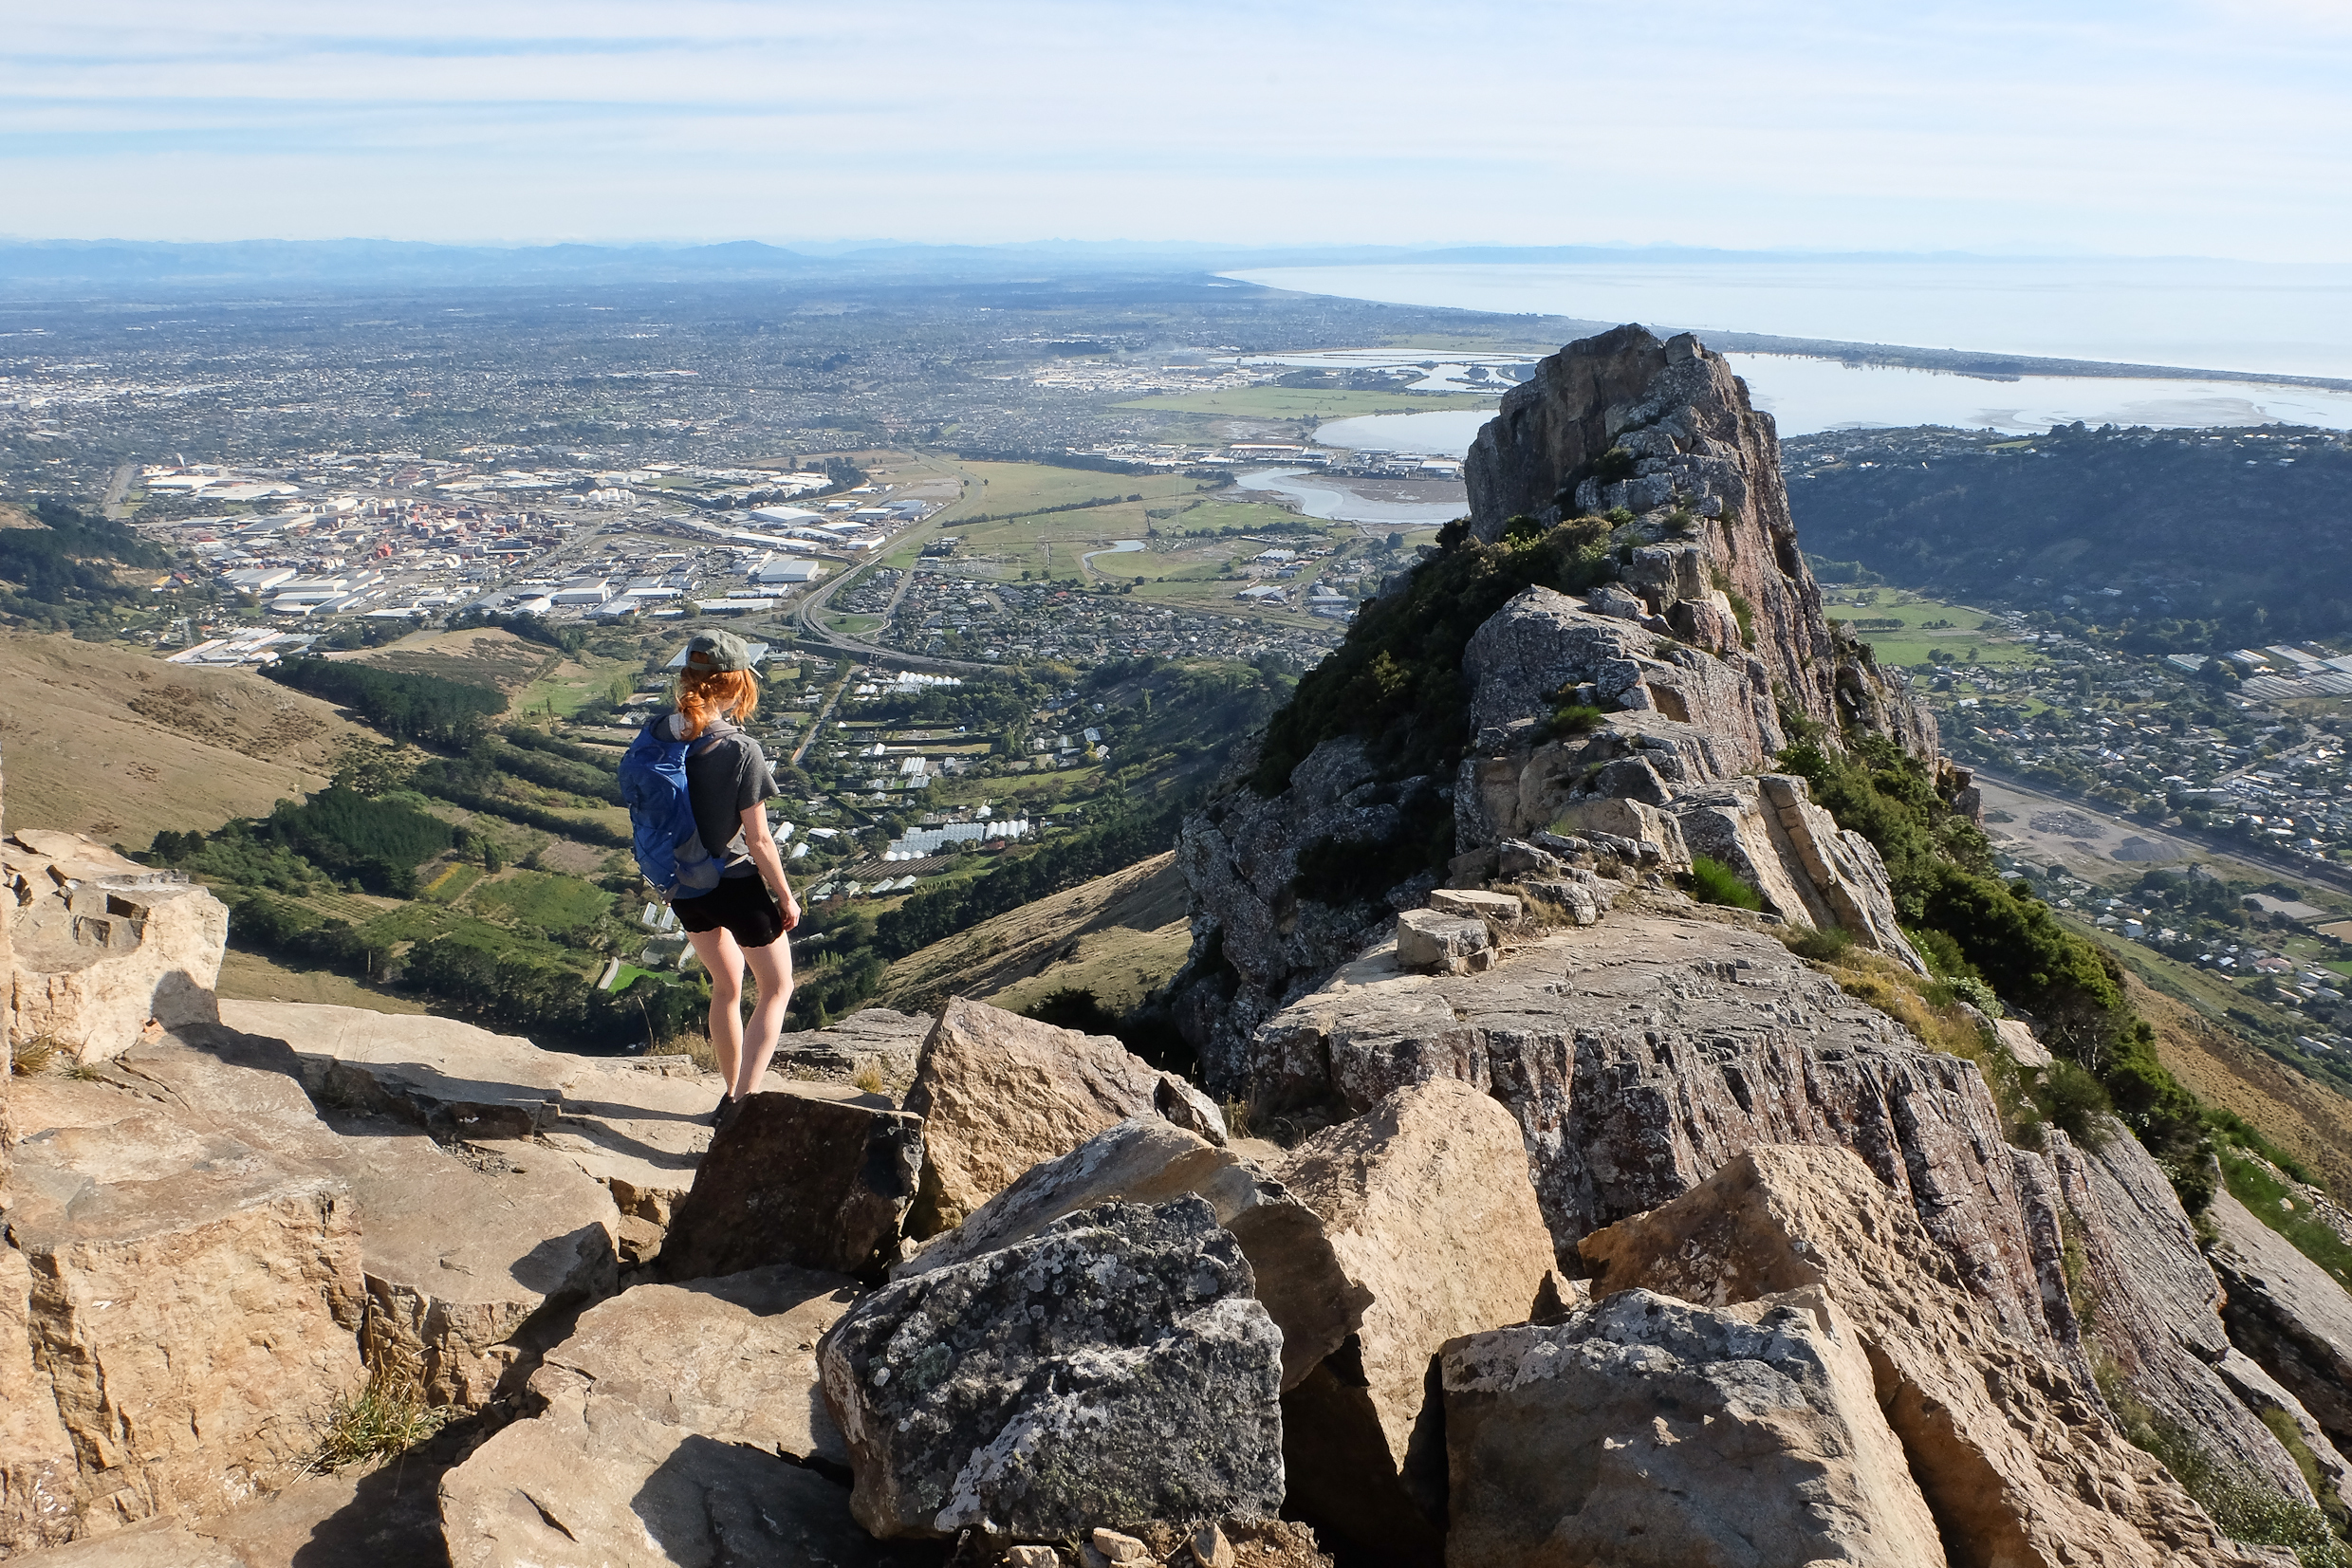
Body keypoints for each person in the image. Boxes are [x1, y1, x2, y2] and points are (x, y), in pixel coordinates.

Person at [660, 630, 801, 1125]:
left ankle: (729, 1092)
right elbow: (759, 840)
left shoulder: (659, 734)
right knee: (778, 987)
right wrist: (785, 897)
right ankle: (741, 1104)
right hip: (736, 882)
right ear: (737, 683)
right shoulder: (740, 749)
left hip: (684, 884)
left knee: (726, 988)